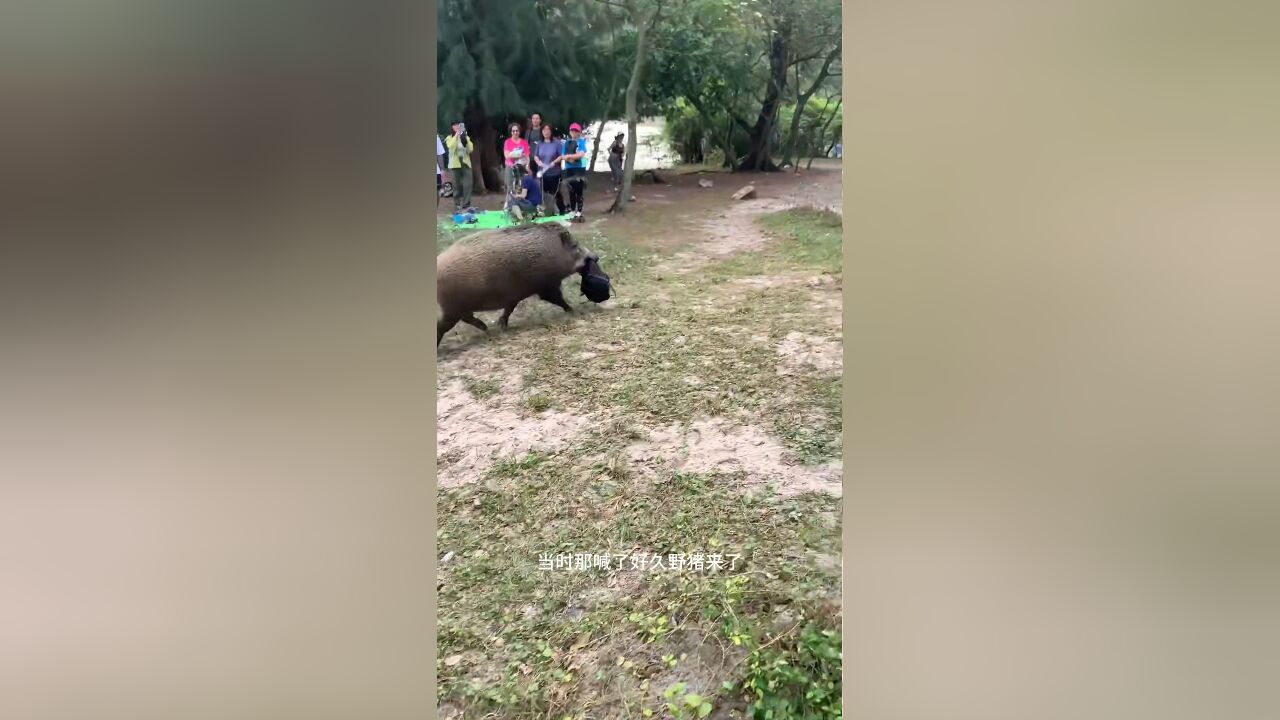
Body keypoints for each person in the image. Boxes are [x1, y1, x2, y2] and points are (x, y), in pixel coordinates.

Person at [532, 124, 567, 216]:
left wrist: (553, 162)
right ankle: (549, 211)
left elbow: (561, 156)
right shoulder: (540, 143)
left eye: (548, 130)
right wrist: (538, 162)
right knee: (544, 193)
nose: (546, 132)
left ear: (551, 131)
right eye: (544, 130)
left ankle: (562, 210)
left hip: (555, 173)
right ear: (541, 132)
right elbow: (536, 156)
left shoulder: (556, 143)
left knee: (555, 193)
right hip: (543, 173)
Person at [444, 120, 475, 211]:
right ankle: (457, 205)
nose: (457, 126)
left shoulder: (465, 136)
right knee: (456, 186)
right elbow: (451, 147)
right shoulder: (449, 138)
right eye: (455, 125)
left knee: (468, 184)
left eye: (458, 125)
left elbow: (470, 149)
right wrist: (456, 136)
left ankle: (466, 205)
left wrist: (464, 138)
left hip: (465, 162)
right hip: (454, 164)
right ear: (452, 127)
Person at [562, 122, 588, 222]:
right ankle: (572, 210)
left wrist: (570, 157)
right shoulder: (566, 143)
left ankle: (579, 211)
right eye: (572, 130)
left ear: (579, 132)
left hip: (579, 169)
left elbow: (581, 154)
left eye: (575, 131)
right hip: (569, 169)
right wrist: (570, 158)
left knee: (579, 191)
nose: (573, 132)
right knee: (571, 190)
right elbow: (563, 155)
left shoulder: (581, 142)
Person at [502, 122, 530, 194]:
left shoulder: (524, 142)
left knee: (521, 187)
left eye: (517, 130)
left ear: (519, 131)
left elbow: (526, 156)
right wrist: (519, 155)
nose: (515, 132)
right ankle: (509, 203)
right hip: (510, 166)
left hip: (522, 167)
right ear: (511, 132)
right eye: (513, 131)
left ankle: (520, 203)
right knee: (510, 187)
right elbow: (507, 156)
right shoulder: (507, 142)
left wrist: (527, 166)